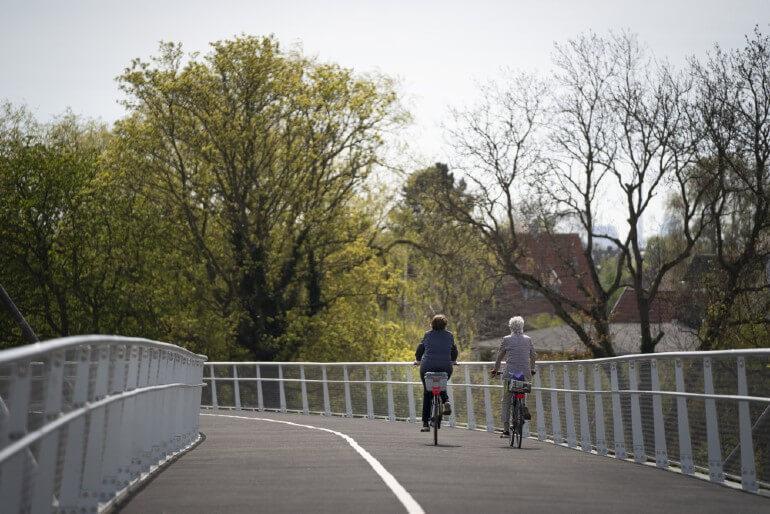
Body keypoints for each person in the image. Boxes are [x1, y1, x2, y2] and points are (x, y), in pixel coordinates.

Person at [491, 316, 536, 437]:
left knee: (506, 400)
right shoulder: (528, 339)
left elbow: (500, 357)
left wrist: (495, 370)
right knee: (521, 393)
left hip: (510, 375)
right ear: (522, 326)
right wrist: (532, 369)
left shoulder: (506, 339)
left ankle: (506, 430)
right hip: (524, 374)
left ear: (510, 327)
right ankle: (523, 408)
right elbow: (533, 355)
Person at [414, 314, 458, 432]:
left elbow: (420, 348)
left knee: (428, 392)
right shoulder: (449, 336)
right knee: (441, 384)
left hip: (428, 366)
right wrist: (453, 361)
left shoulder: (428, 335)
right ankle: (446, 401)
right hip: (445, 367)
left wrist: (418, 360)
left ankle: (425, 424)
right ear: (445, 325)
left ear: (432, 324)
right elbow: (454, 350)